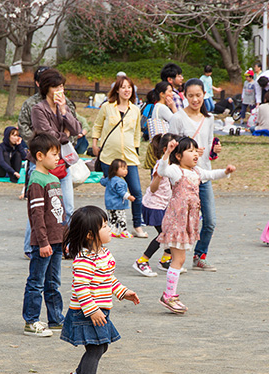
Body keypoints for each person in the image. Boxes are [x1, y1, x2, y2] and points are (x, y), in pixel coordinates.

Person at [61, 205, 139, 374]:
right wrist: (93, 310)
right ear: (89, 235)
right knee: (96, 348)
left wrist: (123, 292)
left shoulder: (104, 253)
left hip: (101, 310)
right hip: (86, 312)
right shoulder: (84, 260)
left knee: (101, 346)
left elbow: (108, 279)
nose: (109, 228)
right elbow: (81, 288)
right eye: (104, 226)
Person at [156, 137, 235, 313]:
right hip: (177, 220)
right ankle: (168, 296)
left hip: (187, 221)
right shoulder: (176, 171)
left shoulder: (197, 171)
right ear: (178, 156)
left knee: (179, 259)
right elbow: (162, 170)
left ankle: (170, 294)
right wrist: (167, 153)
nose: (195, 154)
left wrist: (226, 171)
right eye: (190, 151)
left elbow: (211, 174)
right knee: (179, 259)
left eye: (195, 150)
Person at [168, 78, 223, 271]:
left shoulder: (209, 119)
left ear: (204, 95)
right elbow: (171, 149)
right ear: (184, 96)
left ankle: (199, 256)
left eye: (198, 95)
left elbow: (209, 149)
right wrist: (188, 153)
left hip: (203, 176)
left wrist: (214, 149)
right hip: (183, 178)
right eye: (190, 95)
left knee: (210, 221)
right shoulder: (178, 118)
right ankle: (172, 257)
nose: (194, 99)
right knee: (180, 221)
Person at [21, 133, 65, 337]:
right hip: (43, 243)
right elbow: (37, 216)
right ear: (39, 155)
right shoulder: (37, 180)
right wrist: (43, 242)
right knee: (36, 282)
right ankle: (31, 321)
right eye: (54, 154)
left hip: (56, 241)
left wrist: (63, 239)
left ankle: (55, 318)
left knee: (53, 282)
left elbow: (60, 213)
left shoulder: (54, 178)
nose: (58, 158)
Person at [92, 74, 146, 237]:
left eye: (129, 87)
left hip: (129, 157)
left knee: (136, 191)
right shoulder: (107, 107)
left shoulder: (135, 110)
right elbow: (97, 125)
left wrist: (136, 150)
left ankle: (137, 225)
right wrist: (95, 143)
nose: (126, 90)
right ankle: (112, 226)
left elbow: (137, 133)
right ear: (117, 89)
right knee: (112, 191)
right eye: (123, 87)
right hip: (109, 156)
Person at [32, 68, 82, 224]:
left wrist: (63, 110)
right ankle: (31, 247)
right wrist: (65, 135)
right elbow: (47, 135)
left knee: (68, 209)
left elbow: (77, 129)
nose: (60, 91)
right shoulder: (38, 109)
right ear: (46, 88)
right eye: (56, 87)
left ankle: (63, 246)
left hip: (62, 163)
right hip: (44, 165)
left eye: (62, 87)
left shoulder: (64, 107)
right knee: (40, 212)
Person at [133, 133, 184, 278]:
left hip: (163, 205)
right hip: (153, 205)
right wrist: (159, 177)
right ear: (165, 150)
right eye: (174, 148)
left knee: (170, 231)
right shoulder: (161, 165)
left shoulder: (173, 165)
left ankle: (165, 260)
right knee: (164, 234)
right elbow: (154, 188)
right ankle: (142, 260)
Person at [99, 159, 135, 238]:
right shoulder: (119, 181)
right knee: (122, 217)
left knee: (112, 218)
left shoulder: (110, 179)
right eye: (123, 169)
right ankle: (123, 231)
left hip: (109, 203)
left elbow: (102, 182)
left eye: (126, 169)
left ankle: (113, 230)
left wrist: (102, 176)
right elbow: (121, 192)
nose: (126, 171)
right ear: (115, 170)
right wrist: (129, 197)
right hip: (118, 204)